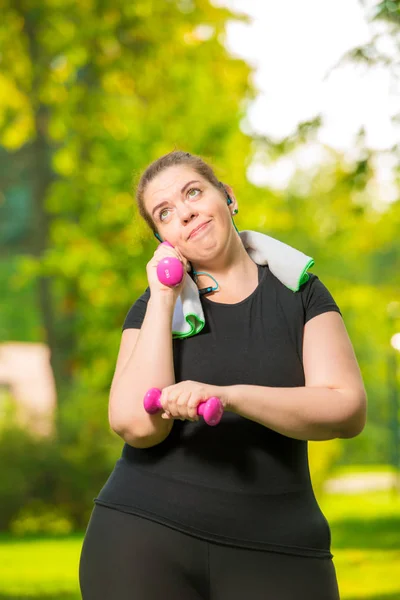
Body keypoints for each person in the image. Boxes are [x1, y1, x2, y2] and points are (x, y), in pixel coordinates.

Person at [79, 150, 367, 599]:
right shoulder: (154, 308)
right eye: (165, 213)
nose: (186, 211)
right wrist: (162, 297)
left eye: (193, 192)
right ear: (163, 239)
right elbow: (137, 425)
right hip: (144, 536)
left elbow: (346, 409)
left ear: (227, 197)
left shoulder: (301, 292)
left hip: (281, 547)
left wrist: (229, 396)